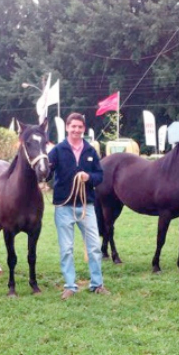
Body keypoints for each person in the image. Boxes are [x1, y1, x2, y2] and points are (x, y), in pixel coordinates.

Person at [47, 113, 110, 300]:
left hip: (86, 206)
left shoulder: (90, 151)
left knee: (94, 247)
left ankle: (97, 284)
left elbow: (100, 176)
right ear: (67, 128)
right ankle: (70, 286)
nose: (76, 130)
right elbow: (47, 172)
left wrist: (89, 177)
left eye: (79, 127)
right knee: (66, 248)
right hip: (63, 206)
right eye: (73, 126)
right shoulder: (57, 150)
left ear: (83, 129)